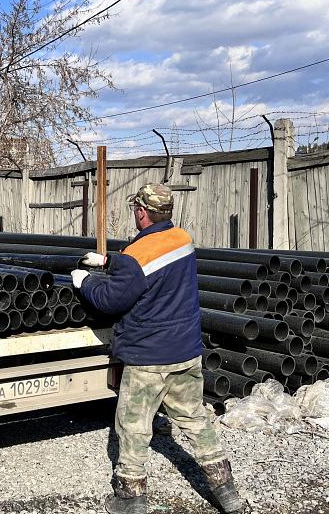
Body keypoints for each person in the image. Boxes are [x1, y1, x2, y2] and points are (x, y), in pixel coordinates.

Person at [70, 183, 246, 514]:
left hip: (148, 358)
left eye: (135, 210)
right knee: (195, 421)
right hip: (185, 351)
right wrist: (109, 261)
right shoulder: (182, 240)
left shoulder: (136, 257)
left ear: (141, 212)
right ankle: (227, 492)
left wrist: (87, 281)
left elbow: (111, 300)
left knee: (134, 427)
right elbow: (154, 269)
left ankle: (131, 499)